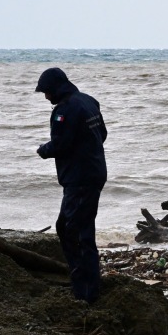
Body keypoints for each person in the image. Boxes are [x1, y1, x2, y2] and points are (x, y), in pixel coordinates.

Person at [34, 67, 108, 303]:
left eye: (46, 92)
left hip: (80, 180)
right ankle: (88, 287)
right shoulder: (88, 101)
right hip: (94, 173)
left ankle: (84, 292)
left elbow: (61, 144)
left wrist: (43, 150)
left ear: (56, 88)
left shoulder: (64, 111)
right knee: (78, 229)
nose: (46, 97)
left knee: (72, 232)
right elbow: (102, 134)